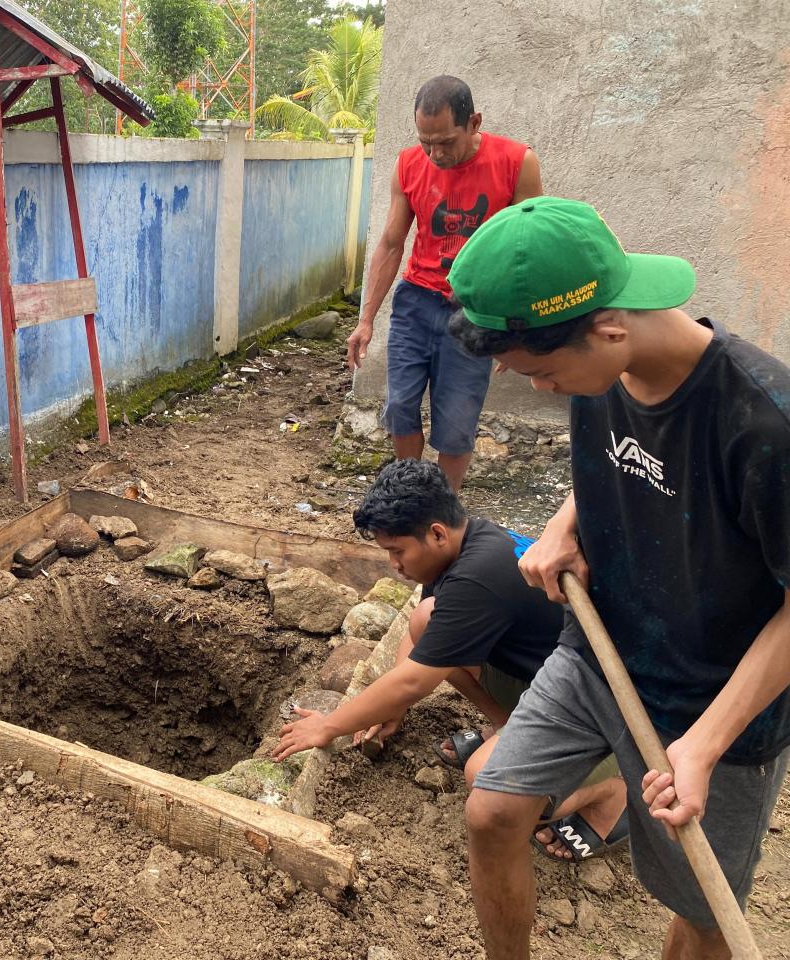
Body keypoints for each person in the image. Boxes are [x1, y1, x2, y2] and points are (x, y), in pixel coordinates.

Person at [446, 196, 790, 959]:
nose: (541, 391)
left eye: (541, 373)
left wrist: (700, 746)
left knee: (701, 912)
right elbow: (621, 461)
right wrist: (569, 524)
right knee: (493, 812)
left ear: (609, 327)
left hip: (717, 703)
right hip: (599, 648)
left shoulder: (764, 423)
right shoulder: (605, 369)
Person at [272, 459, 626, 862]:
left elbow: (414, 681)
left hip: (595, 704)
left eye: (397, 550)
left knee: (487, 784)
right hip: (538, 673)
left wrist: (330, 726)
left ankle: (611, 791)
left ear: (436, 533)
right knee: (426, 619)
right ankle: (504, 724)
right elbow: (420, 648)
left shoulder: (477, 578)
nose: (394, 564)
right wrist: (394, 707)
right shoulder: (465, 544)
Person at [346, 75, 542, 491]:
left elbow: (530, 248)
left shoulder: (516, 162)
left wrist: (518, 326)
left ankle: (445, 509)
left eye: (446, 142)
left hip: (476, 309)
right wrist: (365, 321)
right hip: (416, 302)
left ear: (474, 123)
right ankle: (410, 492)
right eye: (425, 142)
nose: (434, 154)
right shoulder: (407, 165)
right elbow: (391, 244)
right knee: (399, 405)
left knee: (456, 420)